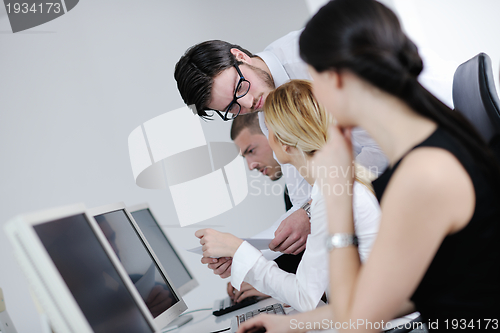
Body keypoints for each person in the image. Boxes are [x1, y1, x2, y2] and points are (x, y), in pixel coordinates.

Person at [237, 0, 500, 332]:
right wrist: (289, 325)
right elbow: (385, 298)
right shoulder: (422, 154)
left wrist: (335, 192)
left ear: (337, 80)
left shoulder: (424, 175)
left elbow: (358, 325)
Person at [175, 30, 388, 279]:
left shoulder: (316, 57)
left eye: (240, 88)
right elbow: (301, 201)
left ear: (240, 55)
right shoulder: (267, 109)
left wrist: (311, 210)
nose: (247, 104)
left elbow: (381, 148)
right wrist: (242, 254)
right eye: (231, 108)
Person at [195, 79, 380, 312]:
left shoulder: (330, 195)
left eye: (268, 130)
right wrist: (240, 255)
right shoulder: (335, 185)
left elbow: (305, 297)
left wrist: (239, 250)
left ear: (284, 140)